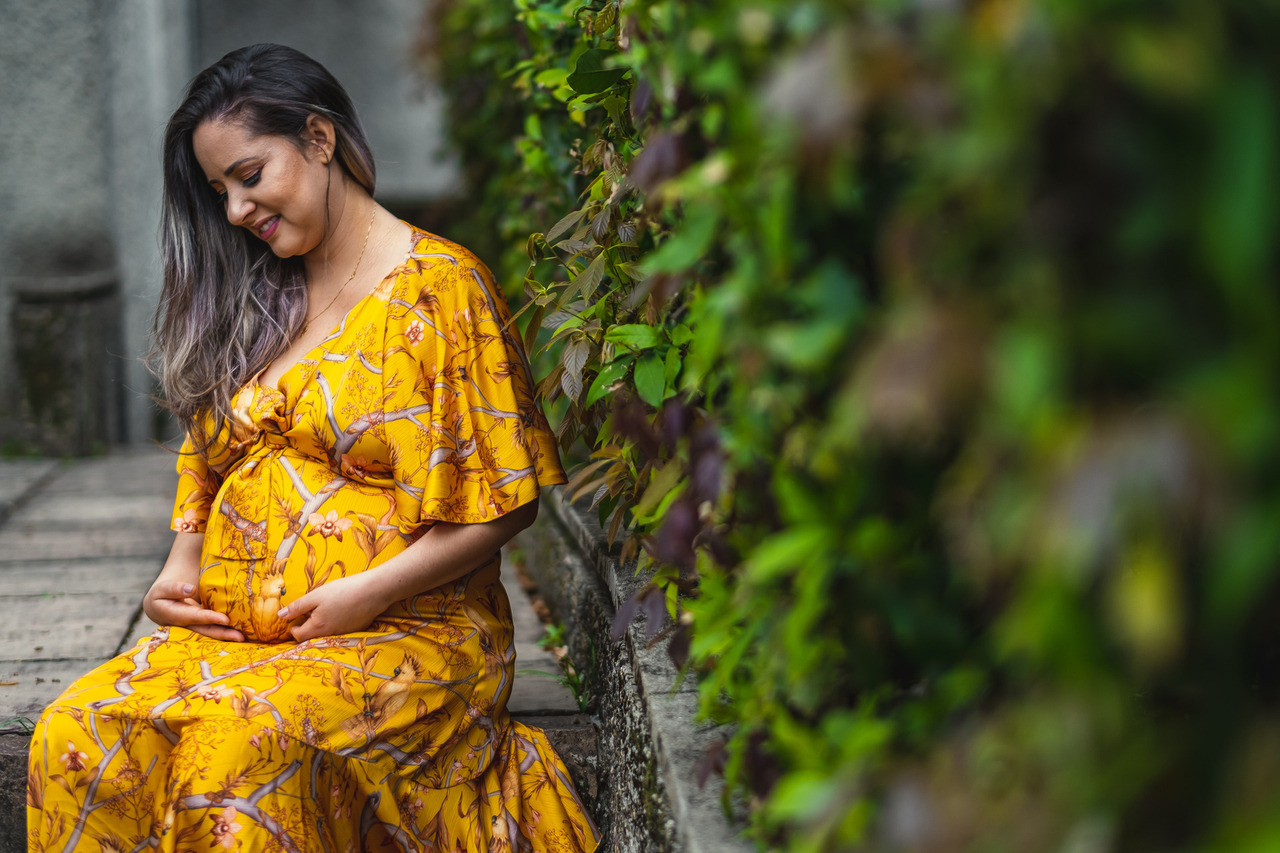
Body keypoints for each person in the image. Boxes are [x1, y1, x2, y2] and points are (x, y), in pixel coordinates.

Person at [27, 43, 600, 853]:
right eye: (219, 190)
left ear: (320, 139)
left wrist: (366, 592)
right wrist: (180, 564)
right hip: (240, 639)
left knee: (237, 751)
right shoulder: (259, 286)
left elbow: (506, 500)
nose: (234, 211)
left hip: (407, 636)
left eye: (249, 175)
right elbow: (210, 450)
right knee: (77, 730)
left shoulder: (441, 291)